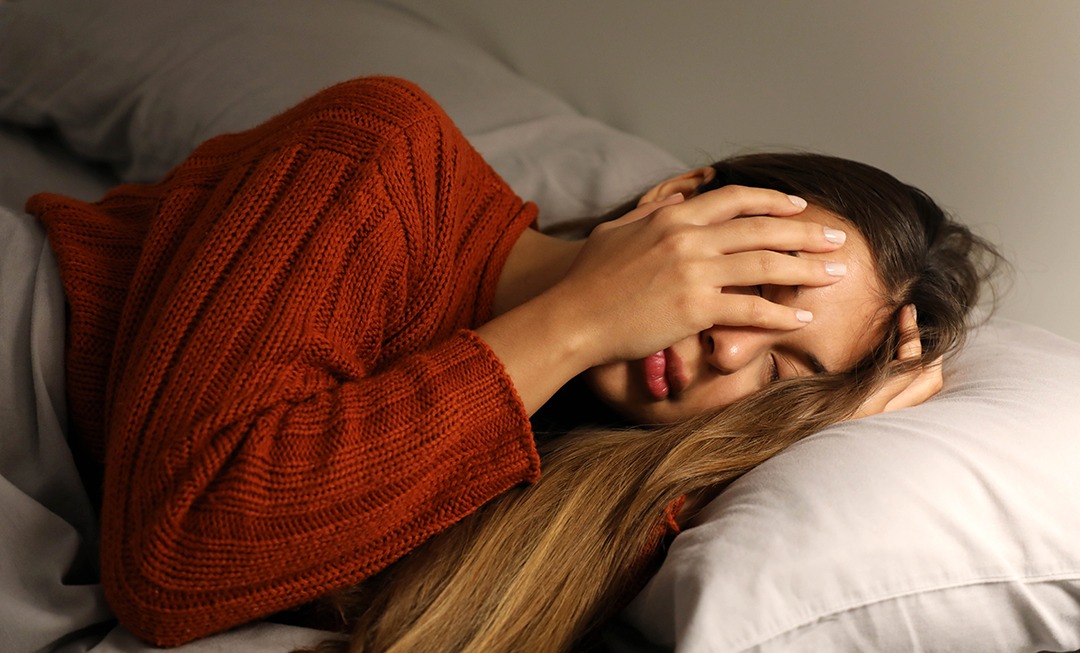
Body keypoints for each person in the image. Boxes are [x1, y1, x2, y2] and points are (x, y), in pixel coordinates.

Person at [26, 76, 1000, 652]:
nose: (729, 347)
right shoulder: (384, 152)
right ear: (673, 201)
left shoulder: (581, 461)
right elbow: (176, 554)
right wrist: (575, 319)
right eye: (747, 284)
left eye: (783, 376)